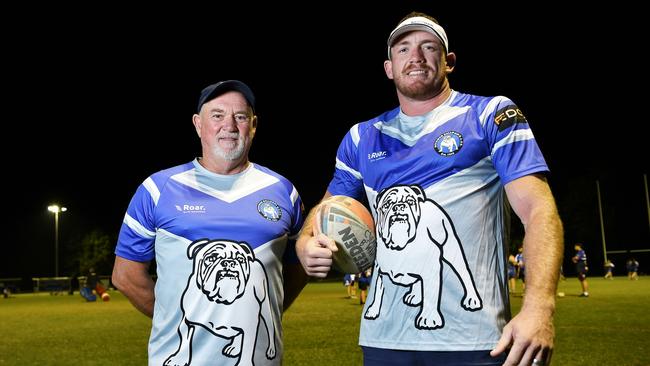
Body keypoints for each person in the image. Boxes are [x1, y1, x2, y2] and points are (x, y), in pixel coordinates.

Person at [295, 12, 563, 366]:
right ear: (389, 67)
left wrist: (539, 308)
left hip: (475, 340)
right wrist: (304, 241)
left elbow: (540, 211)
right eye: (403, 49)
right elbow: (328, 208)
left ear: (448, 61)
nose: (416, 57)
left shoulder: (490, 114)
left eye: (428, 47)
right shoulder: (361, 136)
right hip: (383, 340)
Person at [112, 80, 308, 366]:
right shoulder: (157, 189)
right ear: (197, 124)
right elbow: (125, 275)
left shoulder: (283, 190)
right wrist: (176, 314)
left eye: (240, 117)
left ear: (253, 125)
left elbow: (298, 269)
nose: (229, 125)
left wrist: (259, 309)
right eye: (217, 115)